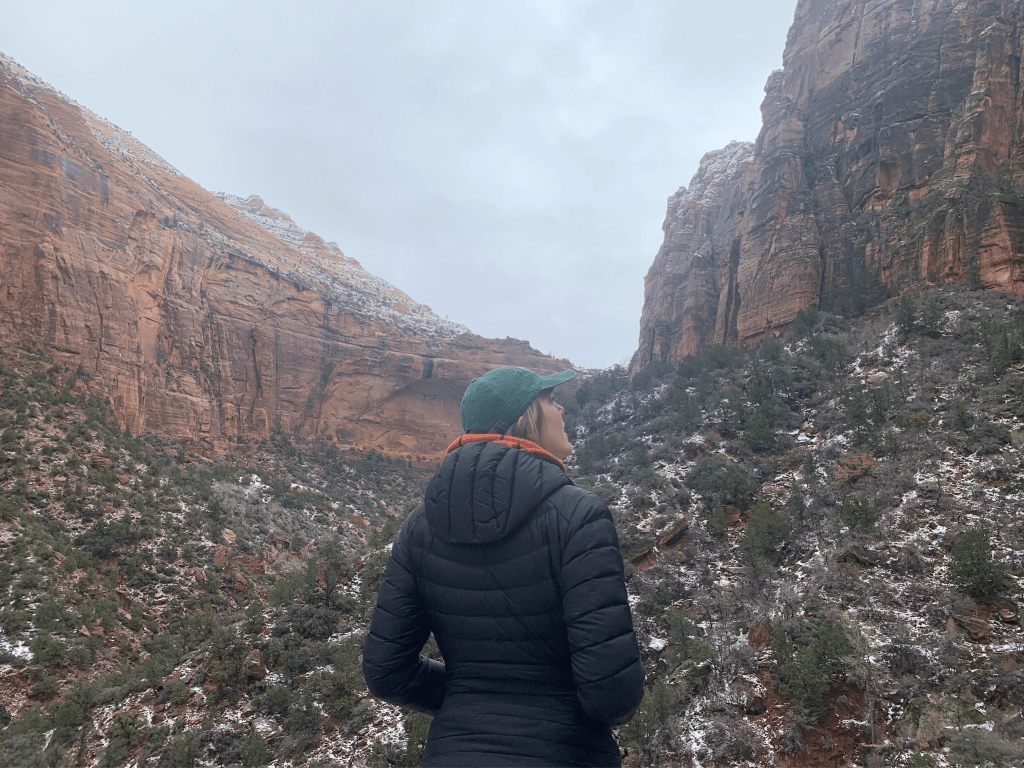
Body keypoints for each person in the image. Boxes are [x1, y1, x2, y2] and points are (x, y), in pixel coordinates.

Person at [363, 366, 644, 767]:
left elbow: (386, 672)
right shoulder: (579, 515)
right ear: (525, 417)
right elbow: (612, 695)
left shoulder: (418, 526)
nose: (562, 410)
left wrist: (470, 698)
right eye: (551, 400)